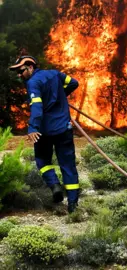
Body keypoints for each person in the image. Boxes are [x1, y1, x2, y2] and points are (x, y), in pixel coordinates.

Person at [9, 54, 81, 213]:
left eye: (21, 71)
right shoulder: (56, 74)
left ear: (30, 67)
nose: (19, 75)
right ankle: (73, 205)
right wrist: (61, 95)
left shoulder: (33, 82)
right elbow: (74, 83)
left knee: (42, 160)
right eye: (18, 73)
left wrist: (33, 128)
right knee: (68, 165)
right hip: (64, 128)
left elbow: (37, 107)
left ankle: (54, 185)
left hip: (45, 131)